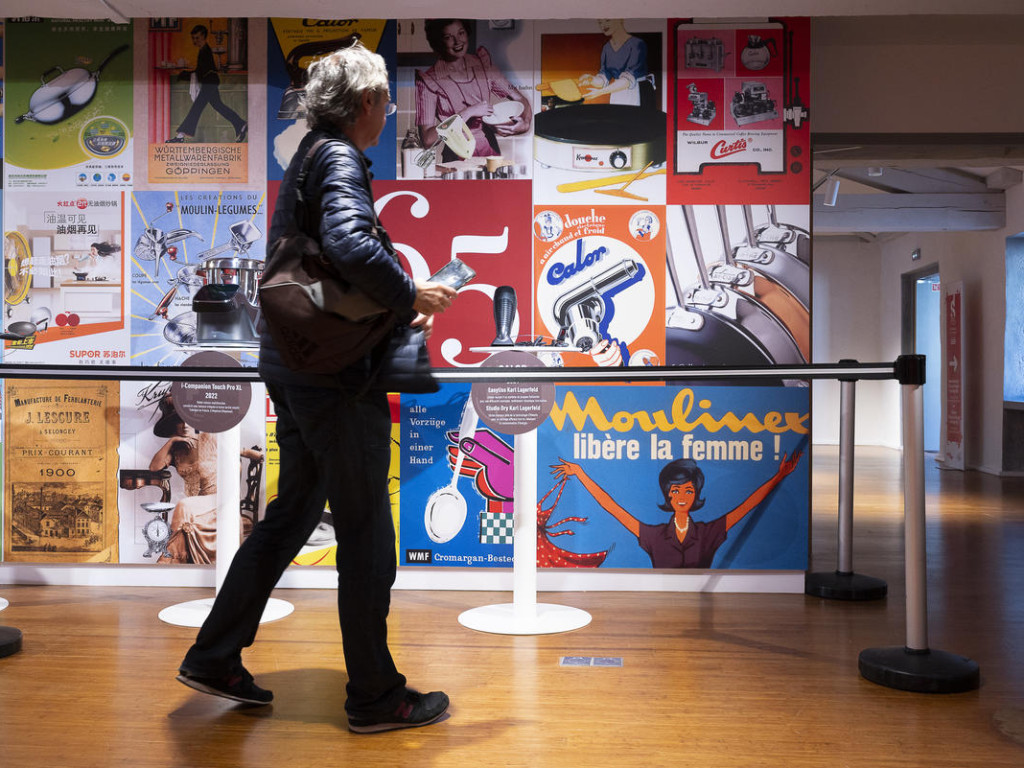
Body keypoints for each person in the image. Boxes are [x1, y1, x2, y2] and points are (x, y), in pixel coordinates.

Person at [176, 42, 457, 734]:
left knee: (292, 516)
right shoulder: (336, 158)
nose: (388, 112)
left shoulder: (310, 154)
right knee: (365, 533)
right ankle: (375, 695)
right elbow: (355, 247)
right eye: (386, 101)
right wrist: (411, 295)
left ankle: (214, 655)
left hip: (296, 369)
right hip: (336, 382)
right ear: (366, 104)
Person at [550, 452, 802, 568]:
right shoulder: (654, 535)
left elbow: (748, 505)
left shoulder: (708, 532)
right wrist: (581, 473)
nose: (682, 497)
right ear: (667, 494)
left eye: (688, 491)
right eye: (675, 491)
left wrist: (779, 476)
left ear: (696, 495)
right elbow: (611, 507)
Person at [149, 394, 262, 564]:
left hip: (221, 499)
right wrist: (171, 442)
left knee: (183, 505)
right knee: (187, 509)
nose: (185, 425)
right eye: (179, 421)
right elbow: (154, 468)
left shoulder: (208, 437)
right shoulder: (177, 450)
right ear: (173, 427)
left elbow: (240, 450)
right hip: (200, 505)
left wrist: (253, 454)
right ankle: (176, 563)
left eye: (189, 419)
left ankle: (169, 560)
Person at [416, 19, 531, 161]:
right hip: (456, 158)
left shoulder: (483, 65)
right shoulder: (429, 80)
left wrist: (525, 123)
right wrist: (469, 112)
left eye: (461, 33)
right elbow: (427, 140)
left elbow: (520, 99)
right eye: (448, 37)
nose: (457, 41)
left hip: (489, 152)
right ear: (438, 42)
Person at [166, 24, 247, 144]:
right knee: (218, 106)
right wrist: (186, 74)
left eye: (197, 38)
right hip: (210, 82)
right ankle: (241, 124)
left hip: (209, 82)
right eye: (193, 38)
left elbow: (200, 71)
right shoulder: (203, 50)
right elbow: (200, 71)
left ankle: (180, 136)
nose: (195, 40)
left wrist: (183, 74)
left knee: (196, 108)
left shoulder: (205, 51)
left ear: (204, 37)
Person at [577, 19, 655, 109]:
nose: (603, 25)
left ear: (620, 20)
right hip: (616, 91)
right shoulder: (607, 48)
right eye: (600, 22)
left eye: (607, 20)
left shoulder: (637, 44)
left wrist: (600, 92)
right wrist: (592, 79)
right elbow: (604, 77)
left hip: (638, 93)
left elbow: (627, 80)